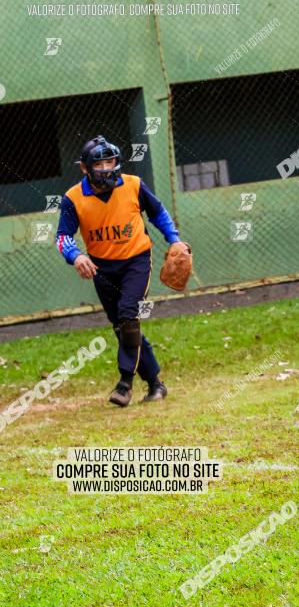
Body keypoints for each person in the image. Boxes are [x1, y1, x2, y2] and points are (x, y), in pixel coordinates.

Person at [56, 136, 189, 406]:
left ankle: (124, 384)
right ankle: (155, 384)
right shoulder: (72, 198)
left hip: (136, 261)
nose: (106, 168)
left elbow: (158, 212)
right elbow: (62, 237)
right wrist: (75, 254)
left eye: (111, 161)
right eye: (99, 163)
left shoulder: (133, 185)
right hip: (101, 267)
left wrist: (174, 238)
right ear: (84, 168)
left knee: (129, 315)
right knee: (123, 327)